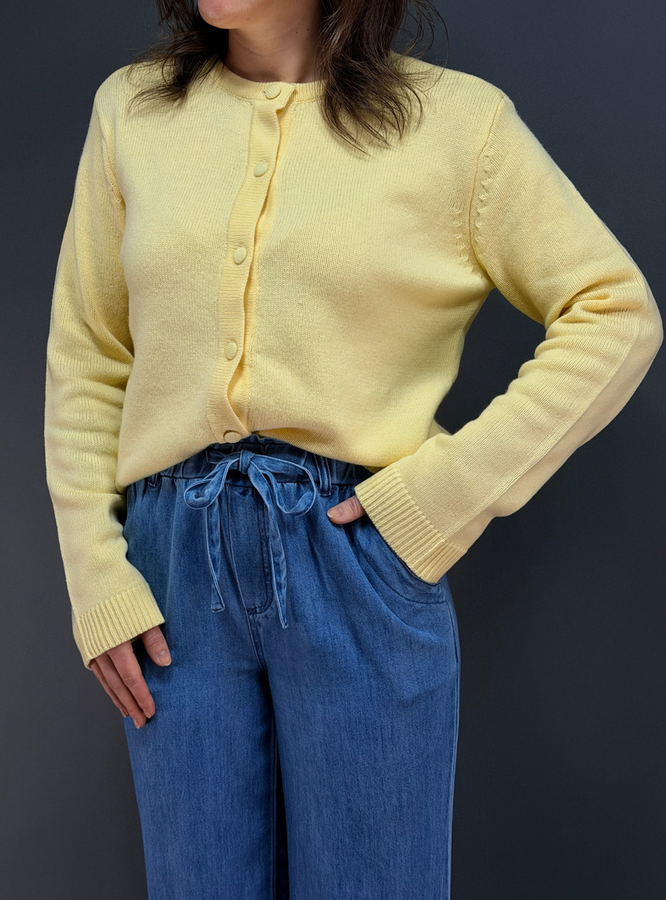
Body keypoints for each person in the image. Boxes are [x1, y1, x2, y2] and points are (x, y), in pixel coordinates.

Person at [43, 0, 662, 897]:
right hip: (170, 570)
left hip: (356, 557)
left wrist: (441, 499)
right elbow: (90, 353)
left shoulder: (458, 125)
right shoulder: (133, 111)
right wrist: (96, 576)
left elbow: (615, 311)